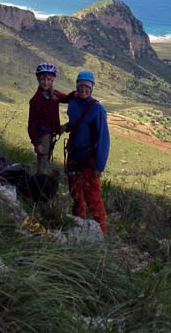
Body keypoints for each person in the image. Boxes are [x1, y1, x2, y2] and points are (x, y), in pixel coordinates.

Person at [65, 70, 110, 235]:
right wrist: (67, 126)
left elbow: (104, 139)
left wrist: (100, 166)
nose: (84, 89)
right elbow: (77, 122)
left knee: (93, 198)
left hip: (89, 160)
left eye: (87, 86)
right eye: (81, 86)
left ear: (92, 88)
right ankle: (78, 225)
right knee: (76, 194)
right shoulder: (74, 102)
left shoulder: (97, 109)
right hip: (74, 157)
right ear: (77, 86)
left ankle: (101, 233)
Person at [27, 62, 67, 175]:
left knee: (46, 160)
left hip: (52, 132)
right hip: (43, 136)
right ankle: (39, 188)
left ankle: (43, 186)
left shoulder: (55, 95)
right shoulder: (35, 100)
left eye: (49, 79)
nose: (46, 82)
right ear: (38, 80)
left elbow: (67, 98)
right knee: (43, 165)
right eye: (43, 79)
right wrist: (36, 143)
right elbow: (32, 124)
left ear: (52, 80)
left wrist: (77, 94)